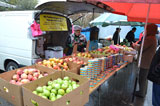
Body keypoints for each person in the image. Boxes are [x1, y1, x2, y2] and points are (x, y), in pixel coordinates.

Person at [132, 24, 157, 98]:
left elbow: (142, 48)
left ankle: (141, 93)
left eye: (146, 29)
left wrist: (135, 45)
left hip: (145, 62)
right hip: (147, 62)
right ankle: (143, 92)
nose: (145, 31)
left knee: (142, 78)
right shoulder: (152, 38)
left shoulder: (150, 38)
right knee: (144, 78)